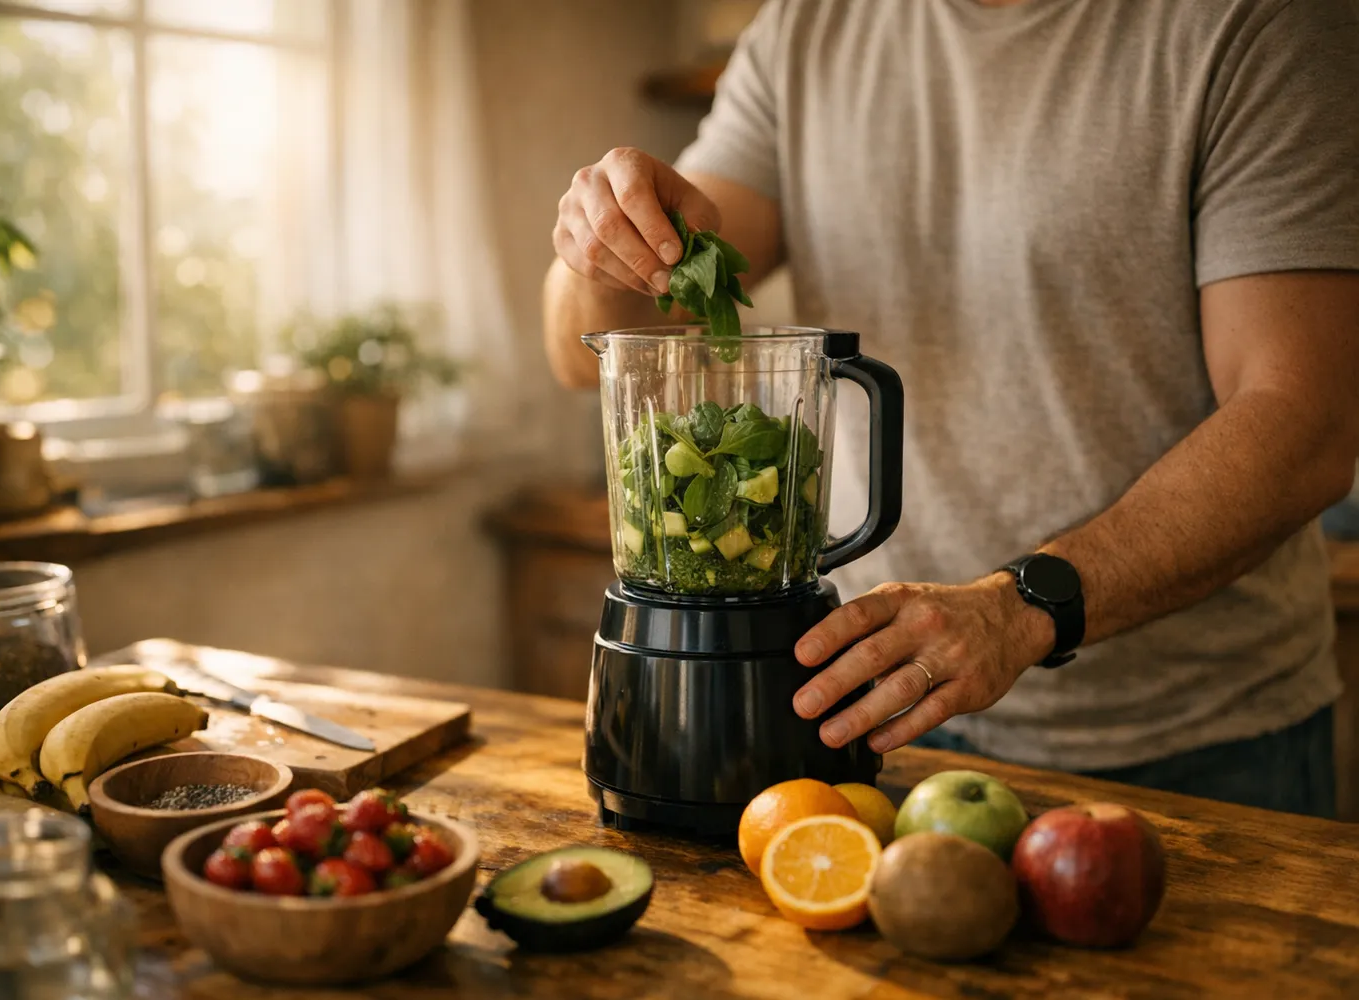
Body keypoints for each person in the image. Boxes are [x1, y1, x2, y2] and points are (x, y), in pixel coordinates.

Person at [542, 0, 1359, 816]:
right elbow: (585, 347)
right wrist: (601, 248)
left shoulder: (1261, 23)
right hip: (879, 712)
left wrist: (1020, 609)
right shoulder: (808, 27)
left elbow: (1305, 418)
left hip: (1192, 743)